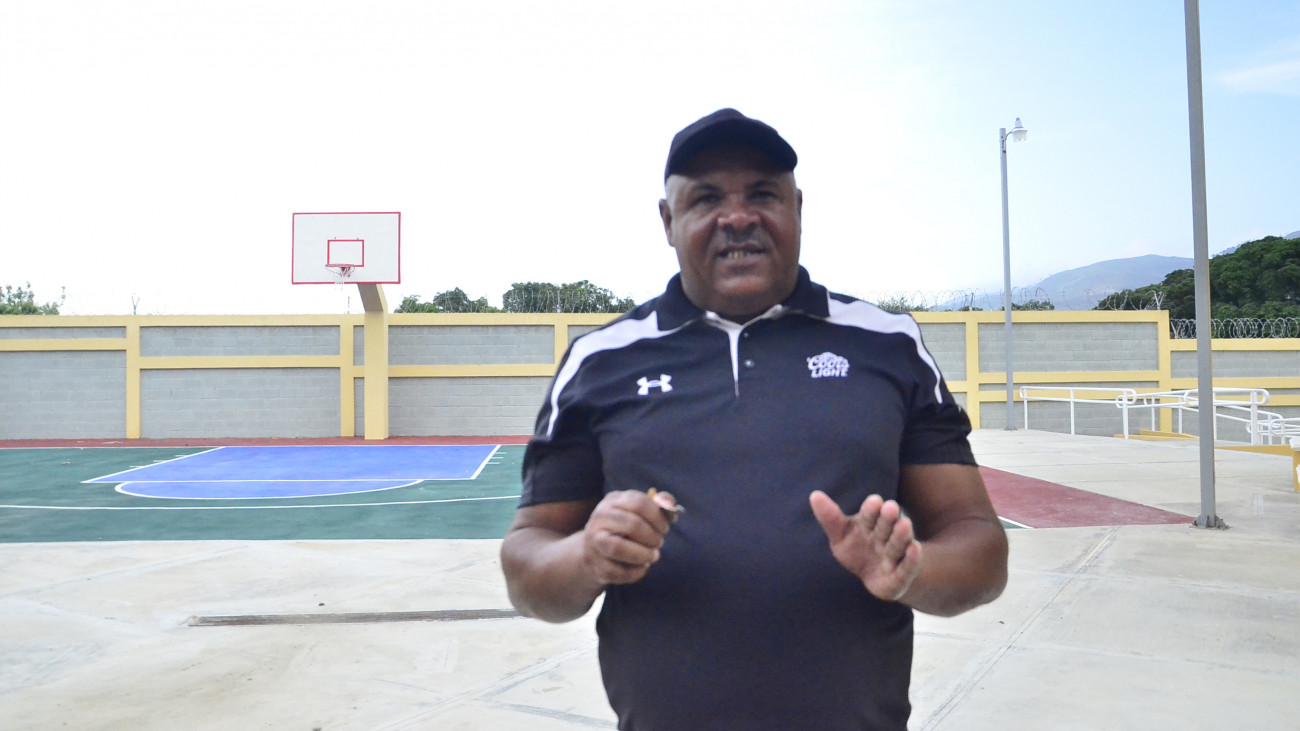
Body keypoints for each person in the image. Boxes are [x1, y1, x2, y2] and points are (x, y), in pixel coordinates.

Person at [500, 108, 1008, 731]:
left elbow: (980, 547)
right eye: (706, 198)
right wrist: (586, 555)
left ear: (798, 209)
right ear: (667, 221)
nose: (737, 217)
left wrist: (912, 572)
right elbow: (526, 564)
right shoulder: (600, 361)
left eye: (763, 194)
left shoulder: (888, 345)